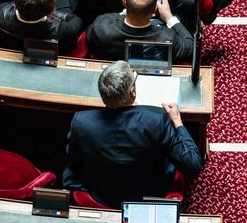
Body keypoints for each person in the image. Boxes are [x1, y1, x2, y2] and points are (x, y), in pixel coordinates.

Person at [63, 60, 204, 206]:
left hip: (101, 194)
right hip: (149, 195)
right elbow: (193, 165)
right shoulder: (156, 121)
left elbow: (74, 160)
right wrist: (177, 121)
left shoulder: (81, 122)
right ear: (132, 92)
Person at [86, 0, 214, 63]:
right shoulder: (168, 38)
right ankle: (204, 8)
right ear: (154, 10)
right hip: (153, 49)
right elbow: (190, 46)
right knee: (177, 11)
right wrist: (169, 17)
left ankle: (205, 7)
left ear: (124, 1)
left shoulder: (101, 26)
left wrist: (130, 10)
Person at [0, 0, 84, 53]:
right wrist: (54, 16)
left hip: (15, 46)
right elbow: (76, 20)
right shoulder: (65, 29)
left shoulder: (1, 12)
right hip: (52, 50)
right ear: (51, 9)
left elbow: (11, 5)